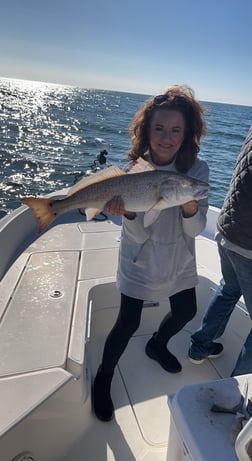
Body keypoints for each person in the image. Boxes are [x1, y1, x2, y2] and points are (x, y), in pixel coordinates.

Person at [93, 84, 209, 422]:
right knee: (127, 322)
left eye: (176, 130)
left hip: (180, 261)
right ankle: (104, 376)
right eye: (159, 128)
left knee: (186, 310)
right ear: (147, 130)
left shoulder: (196, 171)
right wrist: (128, 213)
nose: (166, 137)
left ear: (187, 133)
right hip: (140, 260)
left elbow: (195, 230)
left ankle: (157, 344)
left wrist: (189, 207)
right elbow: (139, 233)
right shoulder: (132, 171)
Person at [188, 127, 252, 377]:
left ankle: (200, 347)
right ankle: (239, 396)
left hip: (228, 230)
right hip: (248, 245)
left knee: (229, 288)